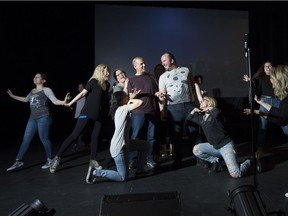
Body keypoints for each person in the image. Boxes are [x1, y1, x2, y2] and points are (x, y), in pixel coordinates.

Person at [49, 64, 110, 173]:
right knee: (75, 135)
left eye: (108, 71)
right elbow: (82, 94)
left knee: (95, 137)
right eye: (105, 71)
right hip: (87, 112)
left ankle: (93, 160)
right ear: (100, 72)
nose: (108, 73)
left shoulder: (107, 84)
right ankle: (57, 158)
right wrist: (70, 103)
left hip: (99, 114)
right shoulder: (93, 82)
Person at [6, 73, 71, 171]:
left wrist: (63, 101)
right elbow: (25, 99)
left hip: (43, 117)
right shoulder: (32, 91)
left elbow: (55, 101)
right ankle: (18, 161)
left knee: (43, 138)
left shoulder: (47, 90)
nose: (35, 78)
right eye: (34, 77)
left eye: (37, 77)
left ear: (43, 81)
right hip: (32, 118)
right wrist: (12, 96)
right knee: (26, 140)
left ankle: (50, 160)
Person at [86, 91, 151, 184]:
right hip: (119, 147)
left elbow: (131, 106)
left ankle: (140, 171)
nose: (128, 97)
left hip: (125, 143)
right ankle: (96, 172)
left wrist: (129, 99)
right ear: (122, 99)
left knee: (145, 145)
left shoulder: (122, 109)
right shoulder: (122, 108)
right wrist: (132, 98)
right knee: (122, 177)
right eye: (126, 96)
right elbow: (140, 102)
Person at [188, 96, 252, 178]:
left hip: (226, 146)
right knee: (196, 149)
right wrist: (193, 111)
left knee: (236, 174)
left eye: (203, 100)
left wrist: (210, 108)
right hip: (214, 147)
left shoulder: (216, 113)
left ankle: (249, 161)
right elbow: (189, 119)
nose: (200, 102)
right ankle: (216, 161)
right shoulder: (202, 119)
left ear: (210, 102)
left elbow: (216, 113)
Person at [158, 52, 202, 169]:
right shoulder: (162, 77)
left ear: (172, 60)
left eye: (164, 61)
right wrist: (162, 111)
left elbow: (194, 87)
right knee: (176, 136)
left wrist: (199, 104)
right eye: (162, 62)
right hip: (174, 108)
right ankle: (178, 160)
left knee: (195, 133)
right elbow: (162, 96)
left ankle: (201, 158)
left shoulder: (186, 70)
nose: (163, 64)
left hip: (189, 105)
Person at [127, 57, 159, 170]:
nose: (144, 65)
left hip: (152, 111)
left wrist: (159, 94)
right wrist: (132, 96)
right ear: (135, 66)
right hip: (138, 112)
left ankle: (149, 159)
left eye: (144, 63)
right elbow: (129, 98)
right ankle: (133, 160)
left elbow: (155, 92)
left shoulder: (151, 78)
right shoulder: (131, 80)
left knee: (152, 137)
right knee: (135, 137)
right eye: (141, 64)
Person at [243, 61, 280, 159]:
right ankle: (259, 149)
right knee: (262, 127)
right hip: (265, 101)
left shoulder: (278, 77)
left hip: (277, 101)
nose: (268, 67)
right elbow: (256, 90)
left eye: (270, 65)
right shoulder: (261, 78)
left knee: (284, 124)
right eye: (266, 66)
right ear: (263, 69)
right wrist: (250, 81)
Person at [244, 65, 288, 138]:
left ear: (281, 81)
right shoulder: (262, 79)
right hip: (265, 100)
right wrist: (260, 106)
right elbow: (281, 118)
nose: (273, 86)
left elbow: (282, 119)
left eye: (274, 83)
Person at [70, 82, 88, 151]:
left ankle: (86, 144)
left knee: (84, 131)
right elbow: (71, 104)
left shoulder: (87, 95)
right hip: (76, 116)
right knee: (75, 131)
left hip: (83, 116)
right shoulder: (76, 95)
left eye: (81, 87)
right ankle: (75, 144)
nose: (80, 88)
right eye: (79, 87)